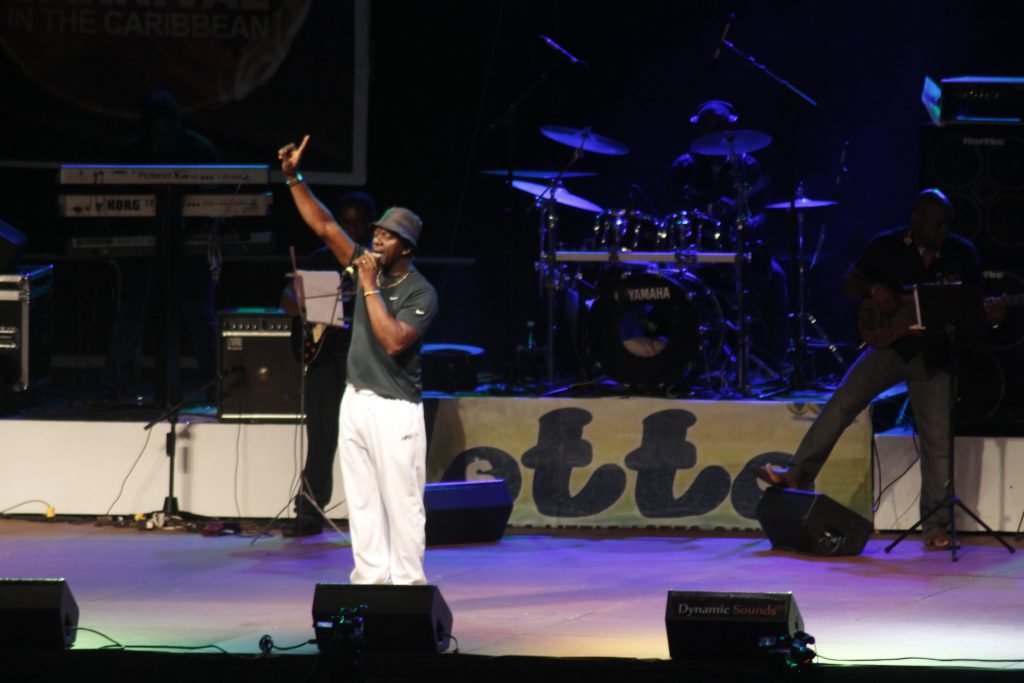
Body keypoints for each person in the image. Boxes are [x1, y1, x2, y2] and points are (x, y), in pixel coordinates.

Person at [755, 189, 1005, 549]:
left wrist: (992, 317)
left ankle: (935, 526)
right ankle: (797, 474)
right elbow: (849, 281)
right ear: (916, 219)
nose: (942, 231)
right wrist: (874, 289)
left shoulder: (961, 253)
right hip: (889, 348)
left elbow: (973, 310)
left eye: (947, 224)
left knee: (937, 442)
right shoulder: (886, 246)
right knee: (842, 403)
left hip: (934, 358)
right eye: (936, 224)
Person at [278, 135, 438, 585]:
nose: (377, 239)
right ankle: (370, 579)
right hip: (357, 399)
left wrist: (367, 287)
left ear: (406, 248)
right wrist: (293, 177)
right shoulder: (365, 263)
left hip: (395, 408)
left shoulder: (421, 293)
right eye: (377, 232)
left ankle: (409, 584)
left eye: (388, 236)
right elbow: (325, 225)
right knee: (362, 499)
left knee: (402, 502)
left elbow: (393, 341)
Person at [96, 89, 221, 404]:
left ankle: (218, 386)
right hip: (144, 250)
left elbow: (216, 198)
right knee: (132, 315)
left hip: (189, 250)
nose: (163, 136)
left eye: (168, 128)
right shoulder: (133, 151)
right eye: (156, 129)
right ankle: (113, 387)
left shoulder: (198, 149)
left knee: (199, 317)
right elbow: (116, 200)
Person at [280, 191, 377, 538]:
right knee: (321, 437)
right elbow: (287, 300)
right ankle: (309, 511)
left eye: (359, 223)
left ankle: (374, 514)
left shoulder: (375, 262)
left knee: (368, 439)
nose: (352, 229)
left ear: (370, 225)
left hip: (364, 361)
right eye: (346, 222)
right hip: (324, 357)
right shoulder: (321, 258)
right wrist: (305, 302)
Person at [668, 99, 788, 374]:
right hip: (695, 251)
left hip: (737, 247)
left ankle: (777, 361)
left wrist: (746, 222)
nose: (712, 135)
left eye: (718, 128)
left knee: (777, 277)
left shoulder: (748, 166)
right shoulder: (683, 167)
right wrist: (707, 212)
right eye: (706, 129)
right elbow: (670, 215)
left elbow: (764, 214)